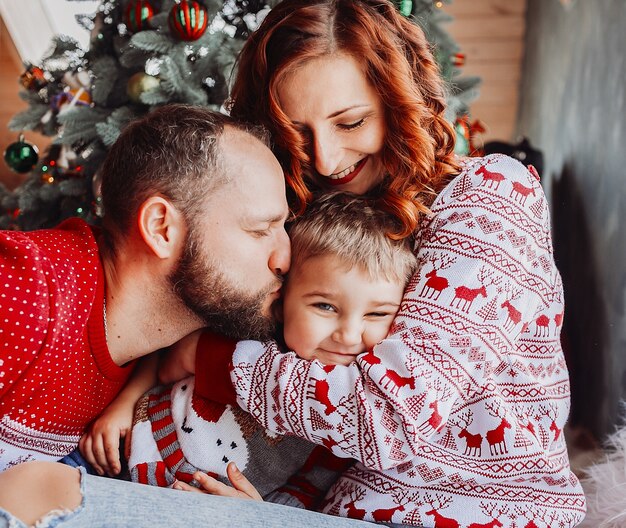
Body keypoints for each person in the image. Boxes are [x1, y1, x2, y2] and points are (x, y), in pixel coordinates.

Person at [0, 0, 586, 526]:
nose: (327, 159)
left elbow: (396, 417)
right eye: (296, 135)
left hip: (484, 515)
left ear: (398, 100)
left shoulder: (490, 197)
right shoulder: (310, 228)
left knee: (45, 496)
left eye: (351, 122)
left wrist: (212, 361)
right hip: (317, 506)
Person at [0, 103, 290, 472]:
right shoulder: (26, 287)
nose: (285, 259)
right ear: (161, 229)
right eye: (261, 229)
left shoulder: (141, 349)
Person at [120, 191, 416, 506]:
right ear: (281, 301)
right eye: (325, 306)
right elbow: (169, 358)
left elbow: (305, 488)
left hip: (208, 507)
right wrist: (124, 404)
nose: (349, 334)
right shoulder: (249, 343)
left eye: (377, 313)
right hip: (129, 451)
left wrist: (259, 511)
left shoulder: (350, 413)